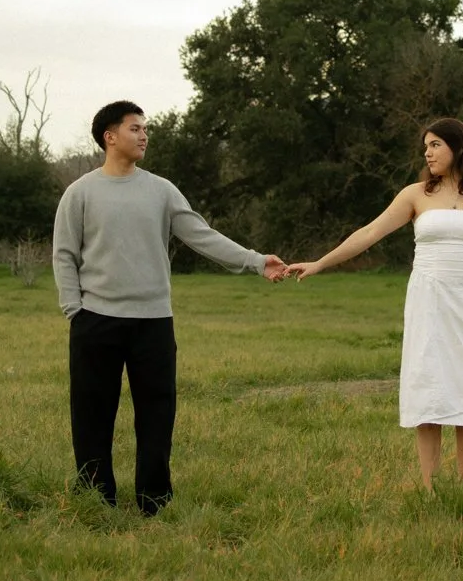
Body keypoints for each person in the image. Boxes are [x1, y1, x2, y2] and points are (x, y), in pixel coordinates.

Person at [53, 100, 287, 514]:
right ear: (109, 137)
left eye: (145, 129)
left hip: (153, 323)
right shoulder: (81, 192)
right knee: (91, 414)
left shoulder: (160, 190)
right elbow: (64, 255)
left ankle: (154, 500)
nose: (144, 135)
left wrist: (255, 260)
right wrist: (75, 310)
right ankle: (95, 498)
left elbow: (202, 235)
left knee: (157, 414)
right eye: (135, 128)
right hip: (96, 323)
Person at [290, 117, 463, 483]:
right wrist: (319, 263)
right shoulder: (415, 194)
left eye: (435, 144)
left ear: (457, 147)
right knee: (429, 385)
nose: (427, 152)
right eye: (425, 146)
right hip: (430, 302)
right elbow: (370, 232)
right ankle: (428, 486)